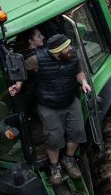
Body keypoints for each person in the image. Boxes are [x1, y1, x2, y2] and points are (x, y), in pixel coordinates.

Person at [10, 32, 91, 184]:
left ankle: (69, 159)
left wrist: (84, 82)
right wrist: (18, 85)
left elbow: (78, 72)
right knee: (53, 138)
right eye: (66, 49)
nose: (70, 50)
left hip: (70, 101)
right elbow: (21, 69)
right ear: (56, 52)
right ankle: (55, 167)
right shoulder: (36, 59)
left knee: (78, 131)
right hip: (49, 106)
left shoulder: (72, 54)